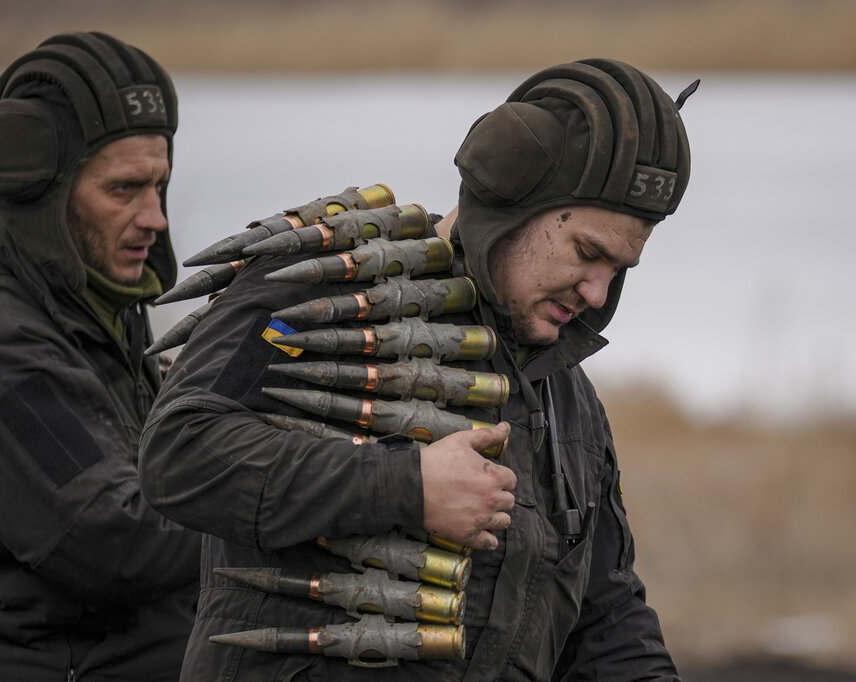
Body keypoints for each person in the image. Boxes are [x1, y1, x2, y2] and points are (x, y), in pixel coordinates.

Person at [139, 58, 694, 680]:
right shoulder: (312, 299)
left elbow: (606, 619)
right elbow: (179, 451)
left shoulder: (568, 405)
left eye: (617, 269)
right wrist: (407, 485)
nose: (597, 292)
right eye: (587, 252)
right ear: (513, 200)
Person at [0, 32, 201, 681]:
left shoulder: (92, 308)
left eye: (158, 186)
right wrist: (292, 501)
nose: (154, 218)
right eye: (124, 189)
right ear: (45, 192)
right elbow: (120, 540)